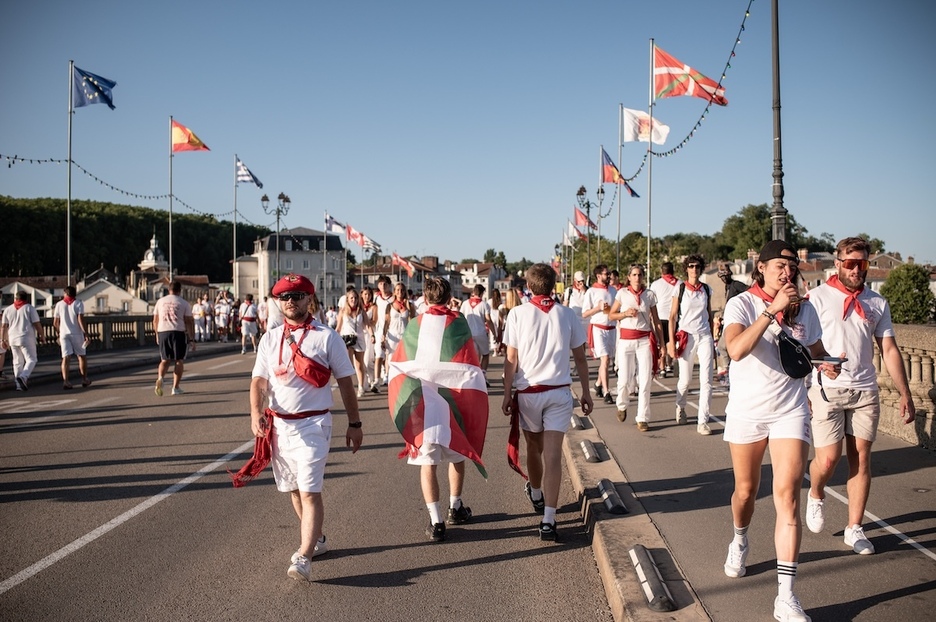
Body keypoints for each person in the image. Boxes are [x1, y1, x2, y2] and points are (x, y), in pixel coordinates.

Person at [721, 240, 840, 622]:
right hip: (747, 413)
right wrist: (770, 313)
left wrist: (827, 363)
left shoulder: (805, 309)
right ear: (762, 268)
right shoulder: (741, 304)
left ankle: (786, 596)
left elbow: (816, 349)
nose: (786, 273)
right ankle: (740, 539)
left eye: (791, 268)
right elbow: (736, 350)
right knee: (746, 491)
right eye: (779, 267)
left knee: (788, 496)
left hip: (789, 412)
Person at [245, 273, 362, 581]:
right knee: (294, 489)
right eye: (284, 296)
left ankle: (304, 555)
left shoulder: (327, 337)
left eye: (297, 296)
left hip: (314, 424)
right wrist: (256, 411)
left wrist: (355, 423)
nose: (291, 301)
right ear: (277, 302)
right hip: (280, 428)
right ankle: (318, 540)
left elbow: (346, 382)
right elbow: (259, 381)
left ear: (310, 299)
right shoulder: (270, 339)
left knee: (309, 491)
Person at [805, 236, 916, 555]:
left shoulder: (877, 303)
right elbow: (803, 345)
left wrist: (904, 392)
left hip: (865, 390)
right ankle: (815, 492)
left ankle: (855, 528)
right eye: (851, 263)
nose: (857, 269)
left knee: (861, 458)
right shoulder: (816, 298)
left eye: (863, 264)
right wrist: (811, 378)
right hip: (827, 388)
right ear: (838, 264)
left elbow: (890, 349)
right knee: (827, 460)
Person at [387, 276, 488, 542]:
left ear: (426, 297)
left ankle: (436, 520)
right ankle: (456, 506)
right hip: (452, 403)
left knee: (427, 463)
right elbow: (470, 363)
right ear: (447, 296)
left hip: (423, 405)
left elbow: (400, 364)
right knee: (456, 456)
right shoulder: (459, 323)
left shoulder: (414, 325)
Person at [501, 263, 593, 540]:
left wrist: (507, 393)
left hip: (529, 392)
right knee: (553, 454)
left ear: (528, 287)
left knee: (534, 447)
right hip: (559, 391)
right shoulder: (567, 314)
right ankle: (549, 520)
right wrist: (586, 391)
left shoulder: (517, 314)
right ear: (554, 286)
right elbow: (580, 358)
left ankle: (537, 491)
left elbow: (511, 359)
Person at [608, 264, 663, 430]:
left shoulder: (649, 295)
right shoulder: (622, 294)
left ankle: (642, 417)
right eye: (634, 275)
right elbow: (611, 314)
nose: (637, 278)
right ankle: (622, 405)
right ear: (629, 277)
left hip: (644, 339)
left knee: (645, 379)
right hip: (626, 340)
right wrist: (625, 313)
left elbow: (656, 320)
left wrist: (661, 342)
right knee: (624, 377)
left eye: (639, 275)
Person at [667, 255, 715, 435]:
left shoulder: (707, 290)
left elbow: (709, 315)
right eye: (691, 266)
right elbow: (672, 317)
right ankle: (680, 406)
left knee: (707, 380)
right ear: (686, 269)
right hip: (686, 336)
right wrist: (671, 342)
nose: (694, 269)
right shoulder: (679, 289)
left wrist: (712, 339)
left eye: (697, 266)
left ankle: (703, 421)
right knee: (685, 380)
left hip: (704, 336)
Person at [153, 281, 196, 396]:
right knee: (178, 360)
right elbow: (189, 321)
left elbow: (155, 320)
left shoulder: (160, 302)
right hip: (178, 332)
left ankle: (161, 378)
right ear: (179, 290)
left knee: (164, 359)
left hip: (163, 331)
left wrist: (157, 334)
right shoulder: (184, 303)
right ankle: (175, 387)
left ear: (168, 290)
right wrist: (191, 339)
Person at [581, 264, 616, 404]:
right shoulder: (592, 292)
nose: (608, 276)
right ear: (598, 276)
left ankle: (597, 384)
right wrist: (598, 308)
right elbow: (585, 313)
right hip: (598, 328)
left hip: (612, 328)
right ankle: (607, 392)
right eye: (606, 274)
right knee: (605, 359)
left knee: (607, 362)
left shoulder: (613, 290)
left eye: (608, 274)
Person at [1, 291, 43, 391]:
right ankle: (23, 377)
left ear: (16, 298)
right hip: (26, 337)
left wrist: (3, 339)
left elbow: (3, 326)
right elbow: (37, 324)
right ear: (26, 299)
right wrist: (42, 335)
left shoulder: (8, 309)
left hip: (12, 338)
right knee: (32, 359)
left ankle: (19, 385)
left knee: (17, 362)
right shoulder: (29, 308)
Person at [52, 286, 91, 389]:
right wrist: (86, 333)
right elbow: (80, 320)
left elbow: (55, 322)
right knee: (81, 356)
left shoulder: (59, 305)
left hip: (64, 334)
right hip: (76, 333)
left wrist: (58, 333)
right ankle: (84, 379)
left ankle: (66, 381)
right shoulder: (79, 303)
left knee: (66, 358)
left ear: (66, 293)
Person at [336, 287, 370, 398]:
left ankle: (361, 386)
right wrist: (334, 338)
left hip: (359, 339)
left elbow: (367, 325)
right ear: (347, 299)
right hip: (347, 340)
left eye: (355, 298)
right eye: (351, 298)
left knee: (359, 364)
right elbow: (338, 328)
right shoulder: (343, 311)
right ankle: (350, 388)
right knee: (349, 365)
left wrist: (372, 335)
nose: (354, 300)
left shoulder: (361, 311)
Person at [650, 262, 681, 377]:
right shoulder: (679, 283)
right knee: (671, 341)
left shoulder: (655, 284)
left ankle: (662, 368)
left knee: (661, 342)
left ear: (661, 271)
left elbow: (652, 301)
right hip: (674, 317)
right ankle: (670, 363)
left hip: (660, 316)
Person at [460, 284, 496, 382]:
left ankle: (473, 376)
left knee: (473, 356)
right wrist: (494, 333)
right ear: (482, 293)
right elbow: (488, 320)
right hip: (481, 332)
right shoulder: (484, 304)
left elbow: (461, 317)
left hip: (468, 333)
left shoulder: (465, 303)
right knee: (485, 354)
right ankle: (483, 374)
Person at [381, 281, 416, 361]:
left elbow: (412, 322)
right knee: (390, 358)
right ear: (394, 292)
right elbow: (386, 322)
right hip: (393, 334)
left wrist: (408, 308)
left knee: (404, 358)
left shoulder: (410, 305)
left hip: (405, 334)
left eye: (402, 290)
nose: (400, 292)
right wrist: (383, 336)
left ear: (405, 291)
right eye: (398, 290)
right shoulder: (390, 305)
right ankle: (388, 373)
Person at [371, 276, 394, 392]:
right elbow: (374, 315)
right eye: (380, 284)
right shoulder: (377, 298)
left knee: (389, 356)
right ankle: (376, 381)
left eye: (385, 284)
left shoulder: (393, 299)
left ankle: (388, 377)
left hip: (392, 331)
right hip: (380, 330)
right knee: (378, 356)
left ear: (389, 285)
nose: (383, 286)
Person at [563, 270, 589, 336]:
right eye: (579, 281)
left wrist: (584, 290)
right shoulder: (569, 290)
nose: (581, 283)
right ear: (575, 280)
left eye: (582, 281)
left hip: (586, 321)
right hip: (574, 320)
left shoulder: (589, 290)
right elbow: (565, 304)